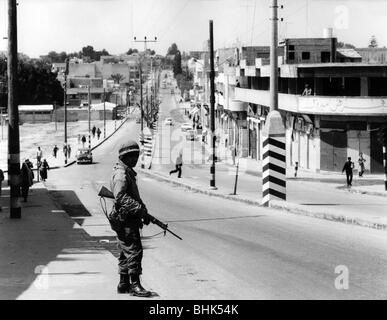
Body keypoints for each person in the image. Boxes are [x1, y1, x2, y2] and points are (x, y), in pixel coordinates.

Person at [110, 140, 152, 297]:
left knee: (125, 251)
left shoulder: (126, 172)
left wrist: (144, 213)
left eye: (137, 156)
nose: (136, 159)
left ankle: (123, 283)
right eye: (133, 156)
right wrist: (139, 210)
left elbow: (131, 196)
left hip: (128, 218)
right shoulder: (121, 174)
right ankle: (135, 285)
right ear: (124, 157)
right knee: (134, 251)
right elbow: (120, 196)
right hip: (126, 220)